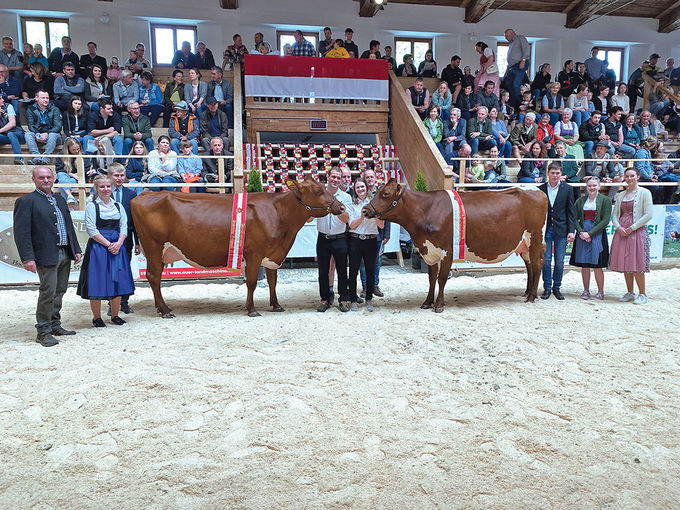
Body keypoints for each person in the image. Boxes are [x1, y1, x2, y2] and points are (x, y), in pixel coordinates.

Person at [14, 166, 82, 346]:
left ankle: (54, 324)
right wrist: (27, 258)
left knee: (60, 291)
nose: (46, 180)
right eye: (41, 177)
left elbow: (69, 227)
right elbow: (22, 233)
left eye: (48, 177)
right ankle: (43, 331)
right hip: (44, 254)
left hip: (64, 252)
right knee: (48, 292)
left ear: (53, 179)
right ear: (34, 179)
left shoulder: (60, 199)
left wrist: (75, 248)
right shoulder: (26, 201)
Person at [77, 175, 135, 326]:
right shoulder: (92, 206)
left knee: (117, 280)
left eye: (108, 186)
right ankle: (97, 318)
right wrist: (109, 244)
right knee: (98, 280)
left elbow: (124, 226)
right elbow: (91, 229)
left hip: (118, 246)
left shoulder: (118, 206)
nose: (105, 189)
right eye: (102, 186)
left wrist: (119, 243)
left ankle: (115, 315)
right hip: (99, 248)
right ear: (96, 188)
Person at [609, 167, 653, 304]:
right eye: (627, 176)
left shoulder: (645, 193)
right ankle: (630, 292)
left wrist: (632, 227)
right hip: (622, 231)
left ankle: (643, 294)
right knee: (626, 262)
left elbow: (648, 215)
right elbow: (615, 214)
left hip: (637, 231)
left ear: (638, 176)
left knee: (637, 262)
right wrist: (618, 227)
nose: (629, 179)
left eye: (632, 176)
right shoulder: (621, 194)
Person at [316, 167, 352, 312]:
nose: (336, 180)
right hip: (323, 238)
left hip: (340, 238)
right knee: (323, 271)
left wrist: (333, 206)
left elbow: (346, 219)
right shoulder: (319, 195)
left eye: (339, 178)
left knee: (342, 271)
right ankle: (325, 299)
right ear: (328, 177)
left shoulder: (346, 197)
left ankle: (343, 299)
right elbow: (311, 218)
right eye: (334, 177)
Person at [570, 176, 612, 300]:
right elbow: (575, 218)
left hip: (597, 233)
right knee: (585, 265)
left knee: (597, 266)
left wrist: (590, 234)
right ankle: (586, 290)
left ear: (599, 186)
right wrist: (581, 232)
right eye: (589, 185)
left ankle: (600, 291)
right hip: (582, 233)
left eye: (594, 185)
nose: (592, 188)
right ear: (586, 187)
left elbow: (605, 221)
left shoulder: (605, 200)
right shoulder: (580, 201)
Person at [539, 162, 576, 300]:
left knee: (560, 261)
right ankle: (547, 287)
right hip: (546, 229)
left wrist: (571, 230)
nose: (555, 175)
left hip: (562, 228)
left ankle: (557, 287)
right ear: (548, 173)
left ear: (561, 174)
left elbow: (571, 211)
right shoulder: (540, 189)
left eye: (558, 173)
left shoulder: (568, 189)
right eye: (553, 173)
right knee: (546, 260)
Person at [347, 177, 383, 312]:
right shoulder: (352, 204)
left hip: (371, 240)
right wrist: (362, 217)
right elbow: (351, 225)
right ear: (354, 190)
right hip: (355, 240)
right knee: (353, 271)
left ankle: (368, 299)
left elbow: (381, 225)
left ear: (366, 188)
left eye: (362, 187)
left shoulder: (373, 203)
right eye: (358, 187)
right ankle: (353, 300)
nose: (360, 189)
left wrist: (373, 214)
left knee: (370, 270)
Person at [107, 163, 139, 314]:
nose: (120, 178)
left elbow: (135, 222)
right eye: (116, 176)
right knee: (111, 271)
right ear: (109, 176)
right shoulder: (103, 193)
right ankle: (111, 304)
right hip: (108, 239)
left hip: (126, 240)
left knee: (125, 270)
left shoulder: (131, 194)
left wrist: (137, 242)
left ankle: (124, 302)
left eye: (122, 175)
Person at [25, 90, 62, 165]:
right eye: (43, 98)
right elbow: (31, 126)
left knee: (53, 135)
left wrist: (47, 133)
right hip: (38, 134)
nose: (46, 100)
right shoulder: (31, 109)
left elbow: (58, 126)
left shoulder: (55, 109)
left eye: (47, 98)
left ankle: (46, 159)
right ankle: (36, 158)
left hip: (53, 135)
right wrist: (37, 134)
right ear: (36, 98)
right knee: (28, 134)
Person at [55, 137, 90, 205]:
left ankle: (69, 203)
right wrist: (72, 174)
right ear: (68, 149)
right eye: (73, 150)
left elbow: (86, 169)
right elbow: (59, 170)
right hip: (66, 176)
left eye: (78, 149)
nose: (76, 151)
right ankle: (69, 196)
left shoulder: (83, 155)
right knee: (60, 175)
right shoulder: (61, 155)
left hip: (77, 178)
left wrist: (79, 174)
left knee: (62, 183)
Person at [503, 28, 531, 102]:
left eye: (506, 36)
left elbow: (526, 48)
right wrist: (507, 70)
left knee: (516, 84)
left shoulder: (520, 38)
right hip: (512, 67)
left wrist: (523, 60)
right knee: (508, 83)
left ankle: (520, 104)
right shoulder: (511, 43)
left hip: (520, 64)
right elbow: (511, 58)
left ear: (511, 34)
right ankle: (513, 102)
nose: (505, 38)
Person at [0, 93, 25, 165]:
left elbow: (12, 123)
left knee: (11, 134)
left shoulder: (8, 106)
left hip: (18, 134)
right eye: (0, 99)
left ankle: (19, 159)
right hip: (5, 137)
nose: (3, 100)